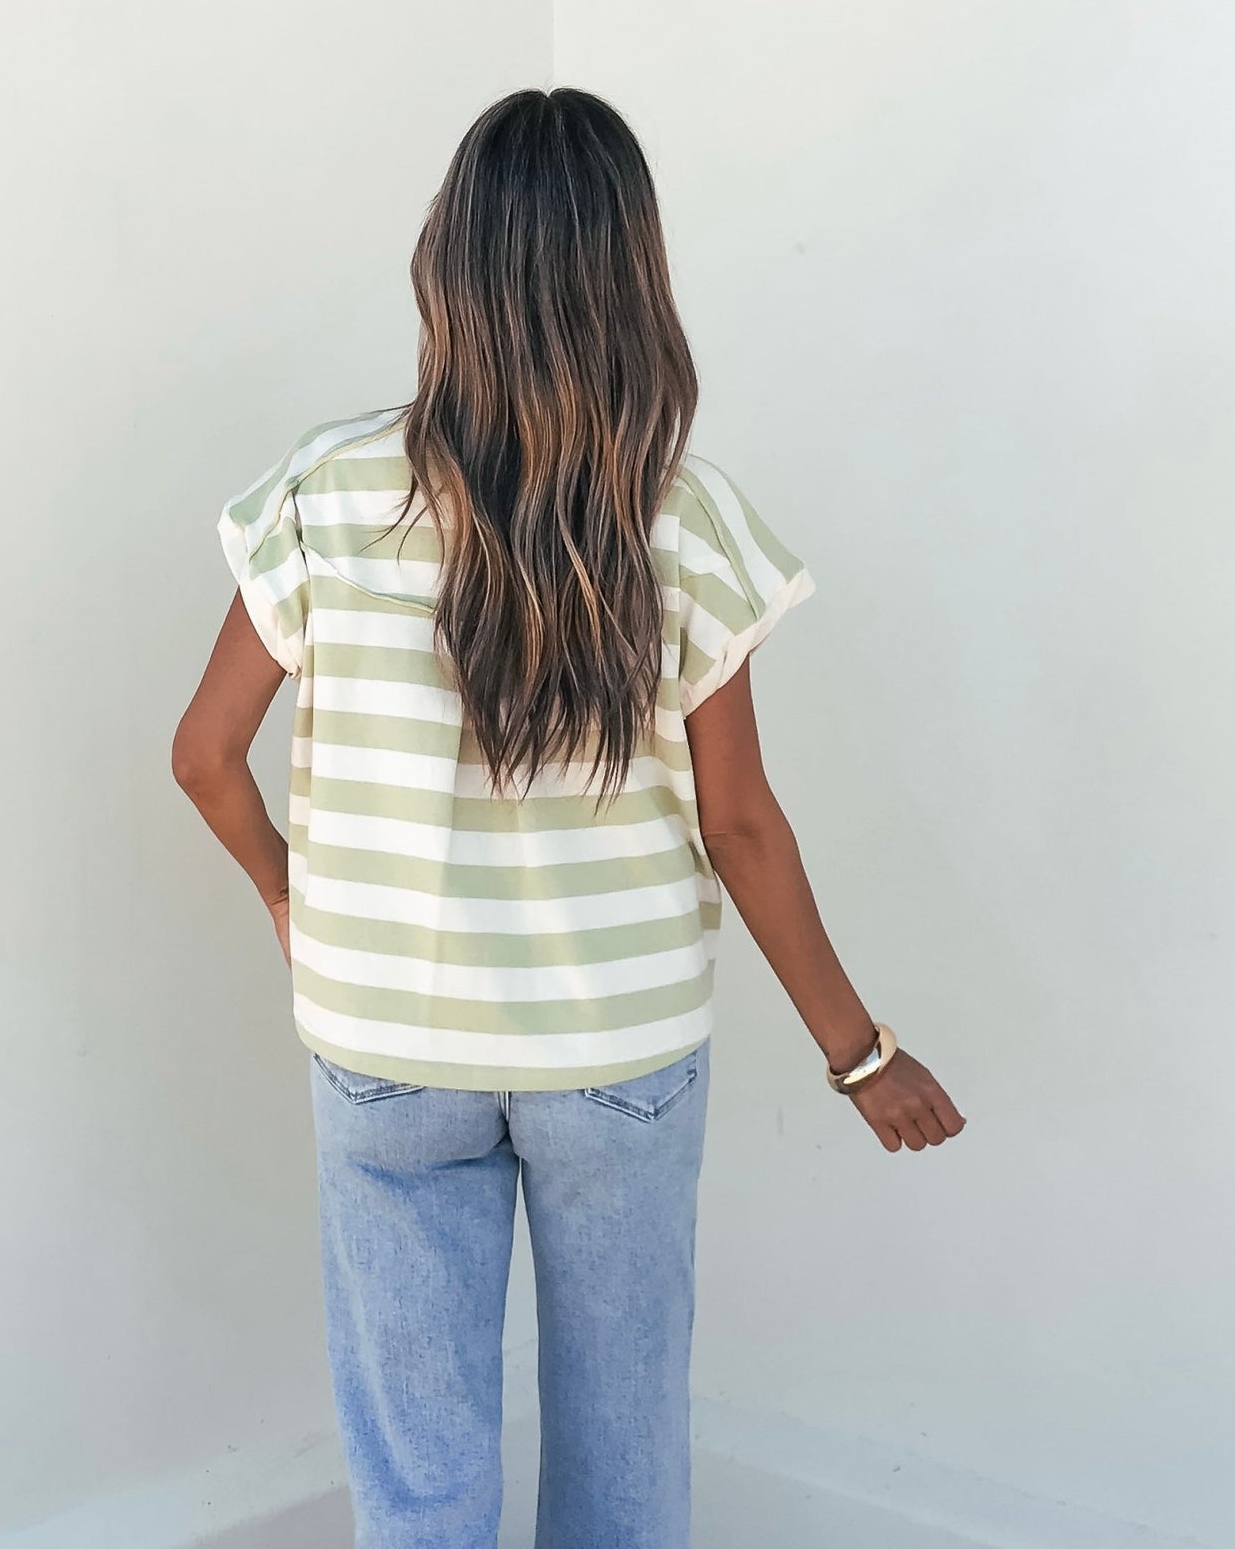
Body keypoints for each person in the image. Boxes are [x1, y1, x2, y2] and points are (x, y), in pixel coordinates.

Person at [172, 86, 965, 1549]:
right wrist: (862, 1058)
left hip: (386, 1050)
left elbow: (204, 755)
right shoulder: (683, 517)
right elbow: (741, 829)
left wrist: (293, 904)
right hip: (614, 1055)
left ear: (445, 264)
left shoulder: (322, 497)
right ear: (630, 280)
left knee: (417, 1475)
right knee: (622, 1453)